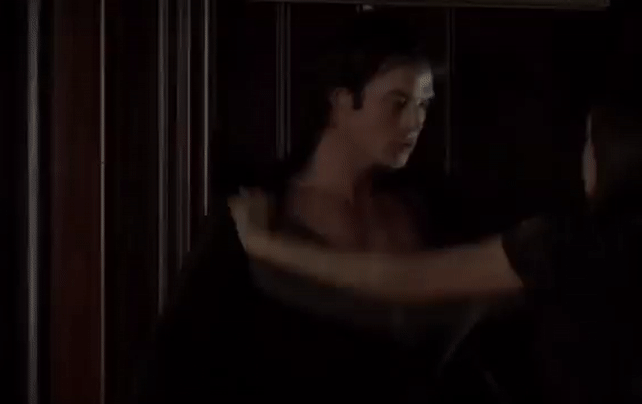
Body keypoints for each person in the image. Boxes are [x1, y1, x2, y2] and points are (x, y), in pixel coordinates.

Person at [134, 11, 504, 404]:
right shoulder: (261, 214)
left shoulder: (425, 210)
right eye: (398, 103)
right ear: (340, 100)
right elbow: (177, 367)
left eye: (423, 104)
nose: (415, 121)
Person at [230, 91, 642, 402]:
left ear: (611, 155)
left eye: (588, 142)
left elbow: (399, 281)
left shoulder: (564, 241)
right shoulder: (569, 244)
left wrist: (266, 245)